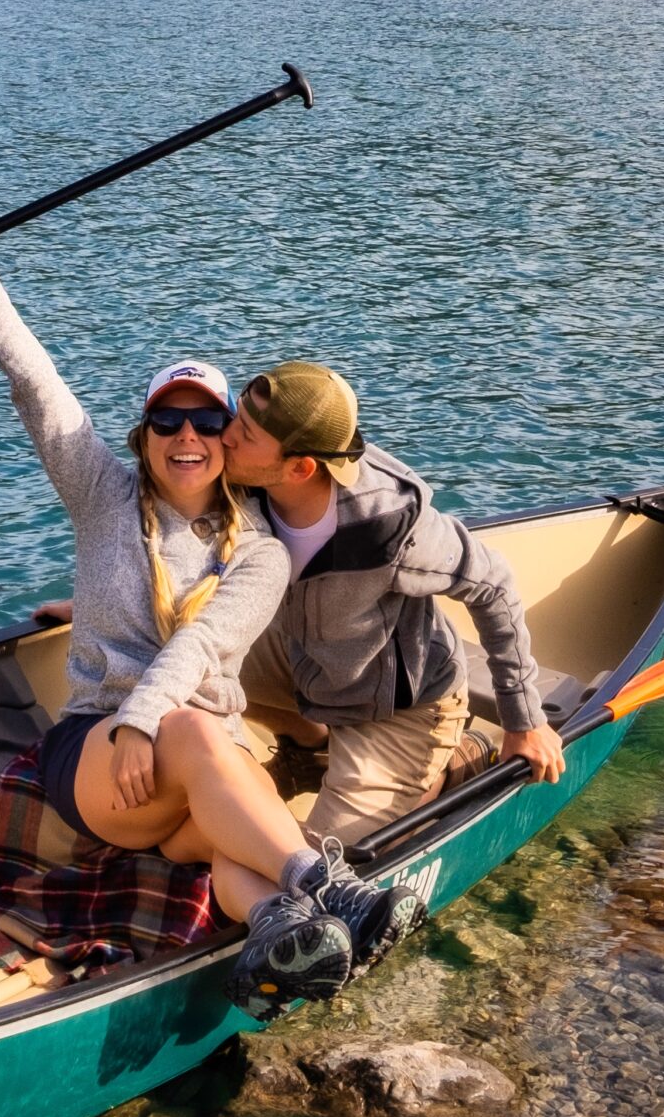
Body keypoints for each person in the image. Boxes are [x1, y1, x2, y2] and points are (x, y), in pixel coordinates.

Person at [0, 218, 417, 1014]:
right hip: (98, 749)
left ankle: (275, 932)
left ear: (230, 441)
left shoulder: (262, 552)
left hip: (197, 763)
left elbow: (205, 641)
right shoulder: (101, 495)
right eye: (167, 419)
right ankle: (336, 888)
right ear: (145, 435)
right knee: (198, 735)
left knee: (234, 836)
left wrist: (154, 717)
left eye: (203, 421)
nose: (184, 435)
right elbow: (40, 388)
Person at [219, 361, 565, 851]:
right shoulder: (246, 477)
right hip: (309, 658)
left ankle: (452, 764)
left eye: (245, 433)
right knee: (184, 660)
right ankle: (312, 748)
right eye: (236, 417)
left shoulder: (389, 526)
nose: (225, 436)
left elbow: (494, 585)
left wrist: (522, 718)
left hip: (403, 710)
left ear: (300, 467)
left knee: (320, 863)